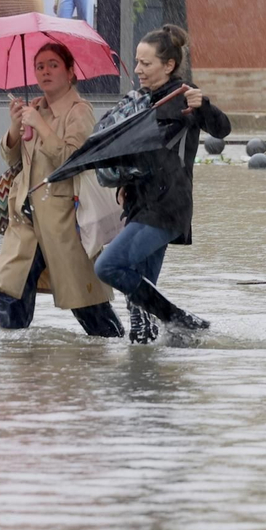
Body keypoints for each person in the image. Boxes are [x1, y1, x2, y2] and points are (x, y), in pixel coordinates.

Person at [93, 24, 231, 344]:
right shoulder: (140, 100)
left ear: (168, 65)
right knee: (139, 296)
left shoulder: (183, 99)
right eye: (137, 62)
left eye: (146, 63)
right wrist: (124, 179)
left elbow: (222, 129)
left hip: (168, 208)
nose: (138, 69)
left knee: (109, 266)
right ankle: (154, 354)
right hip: (140, 204)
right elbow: (141, 155)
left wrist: (204, 105)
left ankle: (180, 320)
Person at [0, 42, 123, 337]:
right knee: (9, 288)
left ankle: (117, 347)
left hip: (63, 219)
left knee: (87, 301)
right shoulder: (35, 108)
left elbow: (74, 158)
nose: (45, 71)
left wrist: (42, 126)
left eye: (53, 65)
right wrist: (16, 127)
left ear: (69, 71)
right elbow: (14, 159)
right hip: (25, 219)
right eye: (39, 66)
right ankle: (13, 357)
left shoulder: (79, 111)